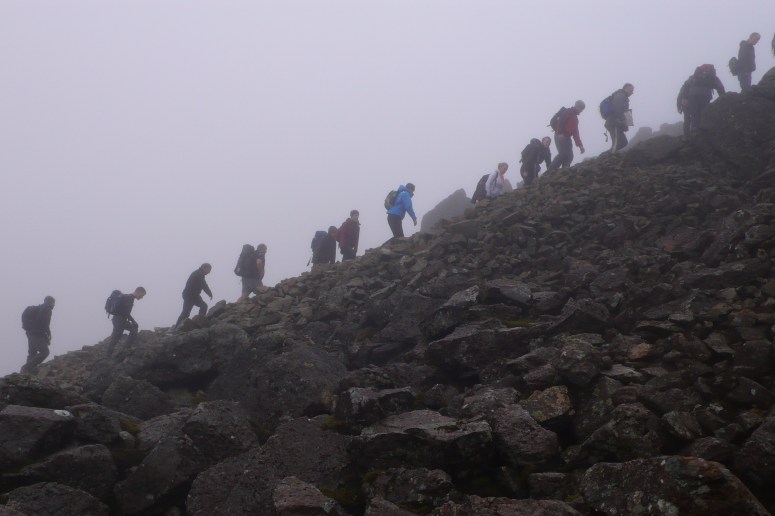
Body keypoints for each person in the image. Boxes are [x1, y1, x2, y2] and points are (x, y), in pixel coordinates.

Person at [677, 64, 725, 136]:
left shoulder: (693, 77)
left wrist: (681, 102)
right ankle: (701, 131)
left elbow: (684, 88)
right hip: (706, 96)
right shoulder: (712, 77)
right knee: (702, 113)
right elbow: (720, 87)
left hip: (693, 97)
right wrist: (723, 97)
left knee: (694, 114)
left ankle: (692, 133)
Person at [106, 287, 146, 357]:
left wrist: (133, 321)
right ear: (139, 292)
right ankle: (124, 350)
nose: (142, 297)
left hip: (117, 319)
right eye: (142, 295)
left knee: (116, 338)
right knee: (130, 332)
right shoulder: (130, 298)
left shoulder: (128, 297)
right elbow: (125, 312)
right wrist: (133, 321)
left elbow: (125, 312)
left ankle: (110, 355)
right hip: (119, 320)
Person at [20, 296, 55, 374]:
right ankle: (27, 367)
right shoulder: (47, 309)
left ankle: (27, 372)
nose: (54, 305)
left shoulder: (38, 308)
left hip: (30, 333)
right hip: (37, 334)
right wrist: (48, 335)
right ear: (51, 302)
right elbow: (44, 324)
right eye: (53, 303)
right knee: (45, 352)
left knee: (32, 353)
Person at [548, 100, 586, 170]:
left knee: (570, 156)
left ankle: (564, 171)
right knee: (563, 153)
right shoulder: (568, 112)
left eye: (582, 109)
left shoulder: (575, 118)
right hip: (560, 135)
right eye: (580, 108)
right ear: (577, 106)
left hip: (567, 137)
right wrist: (560, 133)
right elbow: (561, 121)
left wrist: (580, 145)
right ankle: (549, 172)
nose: (581, 111)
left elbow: (575, 133)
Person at [175, 263, 213, 327]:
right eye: (209, 270)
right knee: (185, 313)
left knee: (203, 306)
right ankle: (176, 328)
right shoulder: (198, 274)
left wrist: (209, 293)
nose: (209, 272)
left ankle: (200, 322)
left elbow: (203, 285)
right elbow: (204, 285)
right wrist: (209, 293)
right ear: (204, 268)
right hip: (189, 296)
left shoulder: (200, 273)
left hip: (194, 296)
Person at [605, 83, 635, 153]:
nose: (632, 93)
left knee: (623, 142)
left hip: (616, 124)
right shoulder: (620, 96)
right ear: (626, 88)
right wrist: (624, 123)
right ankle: (607, 159)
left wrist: (627, 124)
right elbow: (618, 111)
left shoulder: (623, 97)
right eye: (631, 90)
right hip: (614, 123)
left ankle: (607, 156)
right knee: (617, 143)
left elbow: (624, 111)